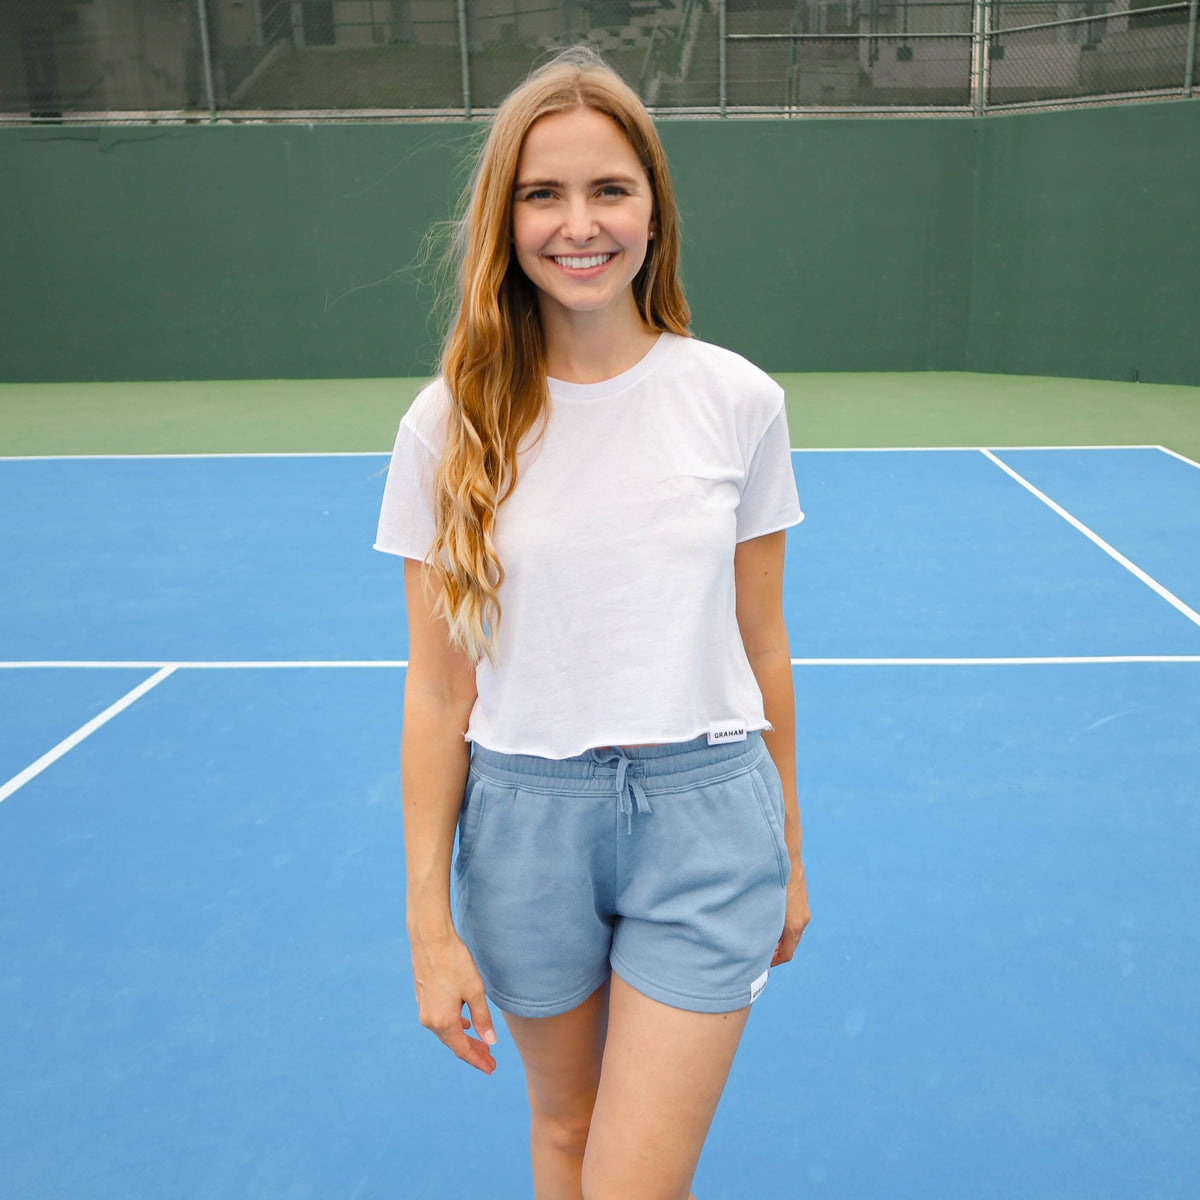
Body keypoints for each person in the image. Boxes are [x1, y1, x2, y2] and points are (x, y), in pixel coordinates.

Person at [374, 44, 810, 1200]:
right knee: (564, 1134)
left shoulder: (738, 401)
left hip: (707, 817)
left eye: (610, 189)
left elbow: (762, 645)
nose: (580, 223)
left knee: (632, 1179)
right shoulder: (444, 427)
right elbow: (437, 689)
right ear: (504, 218)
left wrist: (793, 851)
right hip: (523, 827)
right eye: (543, 193)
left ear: (654, 212)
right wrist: (429, 920)